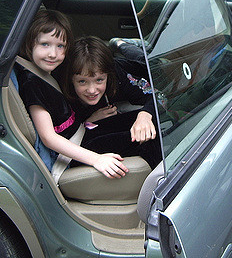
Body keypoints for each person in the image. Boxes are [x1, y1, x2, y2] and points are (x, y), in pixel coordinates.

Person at [14, 10, 129, 179]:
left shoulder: (47, 73)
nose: (53, 54)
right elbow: (48, 137)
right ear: (30, 44)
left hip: (81, 132)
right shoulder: (32, 83)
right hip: (69, 156)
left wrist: (88, 121)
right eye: (45, 44)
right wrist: (96, 159)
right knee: (139, 140)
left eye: (60, 46)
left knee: (135, 124)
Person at [64, 36, 162, 169]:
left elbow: (157, 96)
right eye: (82, 81)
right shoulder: (63, 97)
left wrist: (145, 115)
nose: (92, 90)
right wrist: (88, 121)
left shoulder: (117, 77)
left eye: (99, 80)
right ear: (71, 79)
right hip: (87, 129)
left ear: (108, 76)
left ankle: (121, 44)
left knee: (151, 63)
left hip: (137, 66)